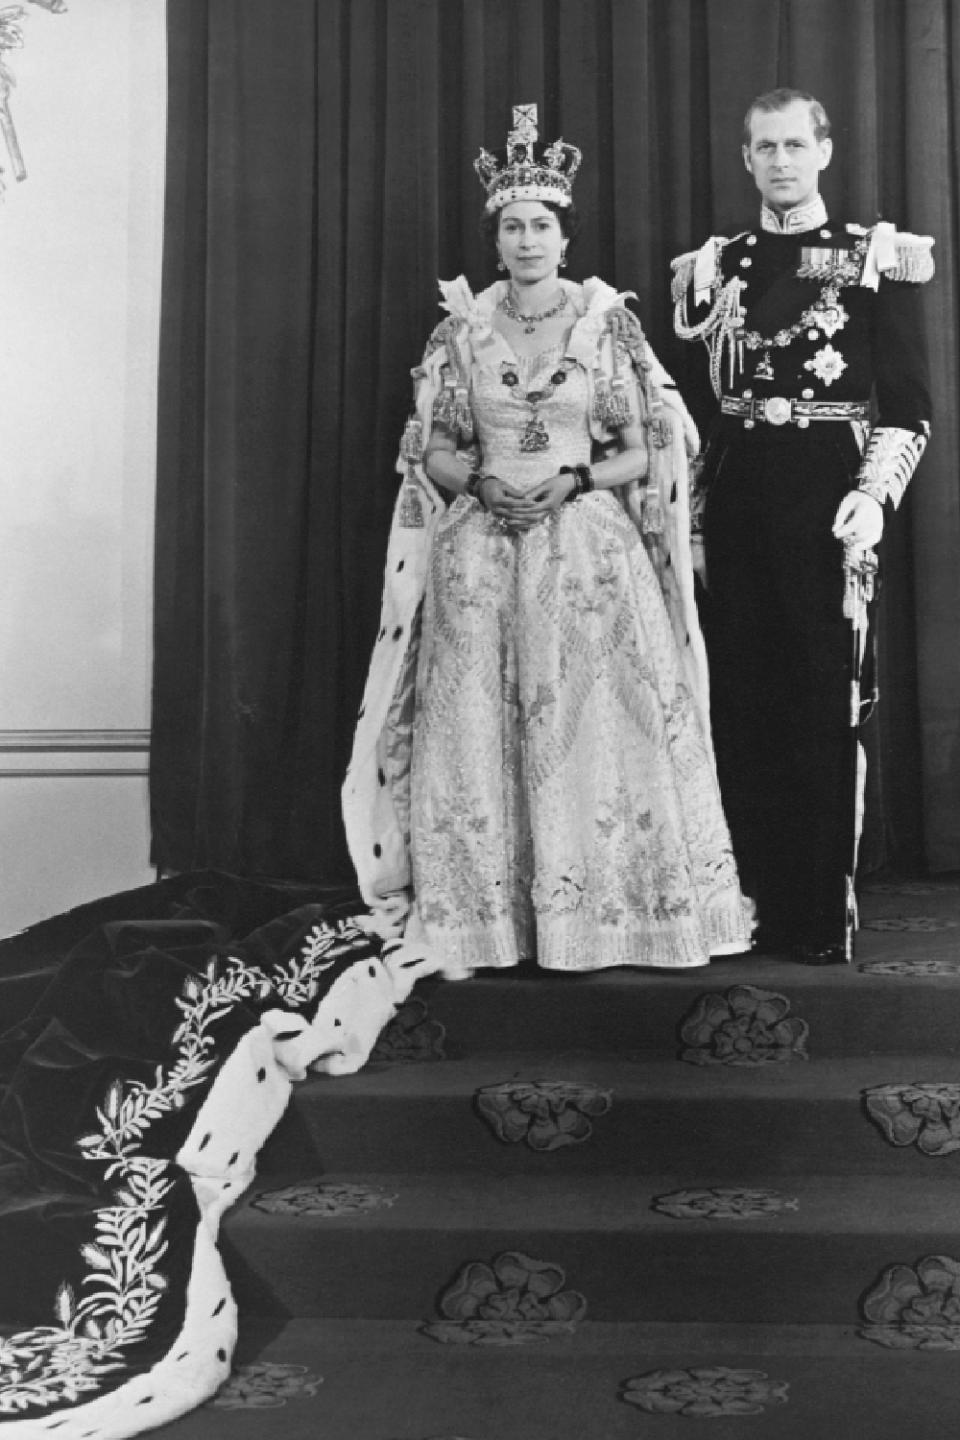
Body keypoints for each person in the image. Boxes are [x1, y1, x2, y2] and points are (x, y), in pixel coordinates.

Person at [343, 104, 751, 978]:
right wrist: (479, 483)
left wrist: (573, 480)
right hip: (481, 553)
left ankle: (609, 912)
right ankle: (489, 920)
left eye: (541, 226)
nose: (527, 240)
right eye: (512, 227)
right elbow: (437, 448)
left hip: (586, 550)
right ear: (496, 243)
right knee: (481, 726)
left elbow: (643, 449)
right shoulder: (459, 333)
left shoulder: (608, 327)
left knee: (594, 723)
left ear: (565, 239)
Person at [672, 87, 933, 964]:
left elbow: (908, 405)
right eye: (764, 147)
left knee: (822, 703)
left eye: (795, 144)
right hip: (741, 492)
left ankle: (815, 914)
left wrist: (875, 493)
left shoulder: (876, 259)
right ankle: (741, 903)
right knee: (739, 700)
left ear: (824, 150)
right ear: (746, 159)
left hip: (829, 494)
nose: (780, 161)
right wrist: (696, 516)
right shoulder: (716, 266)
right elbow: (702, 413)